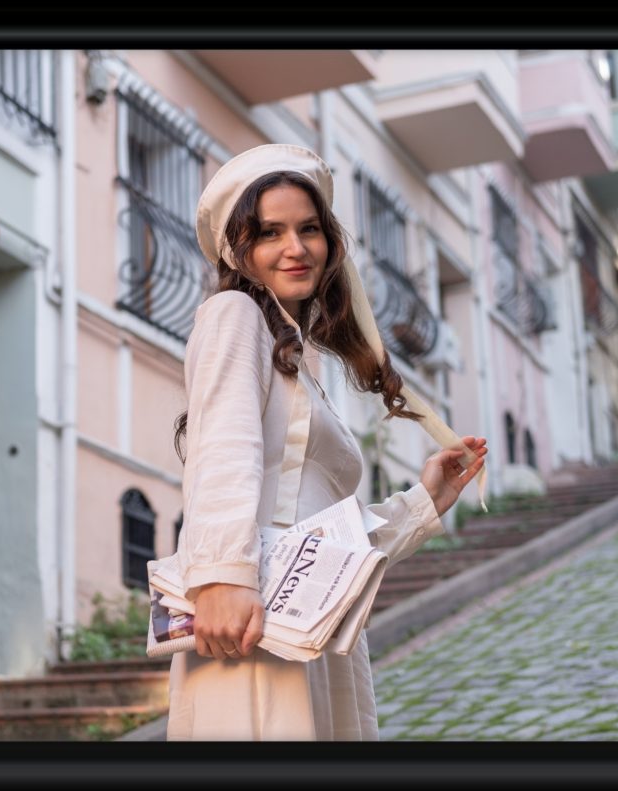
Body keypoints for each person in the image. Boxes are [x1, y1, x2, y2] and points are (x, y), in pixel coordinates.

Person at [167, 143, 488, 740]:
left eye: (309, 228)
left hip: (309, 623)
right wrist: (219, 579)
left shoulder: (299, 364)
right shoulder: (234, 312)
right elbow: (223, 451)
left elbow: (322, 538)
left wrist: (424, 502)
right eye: (270, 232)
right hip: (252, 618)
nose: (296, 247)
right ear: (238, 250)